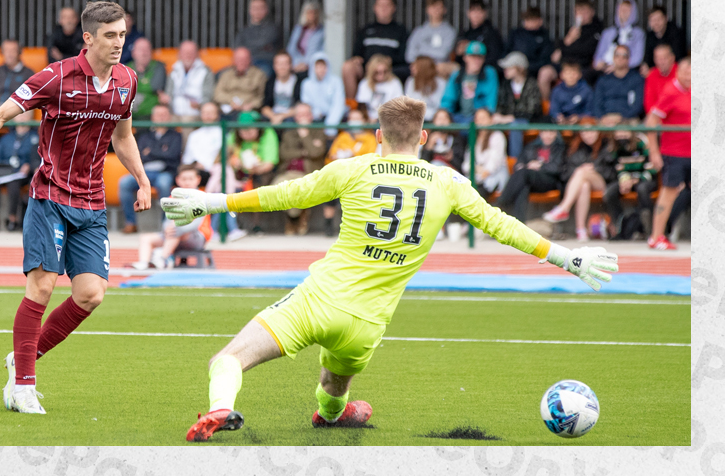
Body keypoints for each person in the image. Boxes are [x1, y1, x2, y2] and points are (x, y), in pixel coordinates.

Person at [159, 96, 618, 442]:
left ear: (377, 134)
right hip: (367, 324)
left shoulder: (352, 169)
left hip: (316, 301)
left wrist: (211, 202)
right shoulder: (449, 181)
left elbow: (286, 195)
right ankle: (333, 413)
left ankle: (220, 409)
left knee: (228, 360)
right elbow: (502, 226)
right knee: (333, 385)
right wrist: (566, 257)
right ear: (422, 138)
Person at [0, 1, 150, 414]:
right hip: (50, 196)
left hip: (92, 202)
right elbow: (2, 111)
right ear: (89, 38)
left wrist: (144, 180)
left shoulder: (127, 81)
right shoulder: (56, 77)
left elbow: (124, 136)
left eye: (123, 34)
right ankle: (23, 386)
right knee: (42, 287)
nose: (119, 43)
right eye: (111, 35)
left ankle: (21, 359)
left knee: (91, 295)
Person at [542, 119, 617, 241]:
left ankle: (564, 208)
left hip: (604, 182)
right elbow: (567, 172)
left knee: (582, 172)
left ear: (597, 131)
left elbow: (611, 171)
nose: (588, 135)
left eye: (591, 131)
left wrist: (594, 168)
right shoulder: (576, 147)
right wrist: (582, 169)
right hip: (583, 182)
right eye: (584, 132)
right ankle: (581, 230)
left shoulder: (606, 145)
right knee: (584, 185)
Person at [645, 56, 690, 250]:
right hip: (674, 153)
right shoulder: (670, 91)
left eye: (692, 73)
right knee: (669, 193)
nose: (689, 76)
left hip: (695, 153)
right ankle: (656, 236)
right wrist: (654, 152)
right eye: (686, 72)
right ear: (678, 72)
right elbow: (651, 122)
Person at [130, 165, 213, 269]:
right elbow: (167, 220)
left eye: (191, 179)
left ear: (198, 180)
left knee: (177, 229)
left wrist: (176, 228)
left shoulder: (202, 197)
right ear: (178, 180)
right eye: (184, 179)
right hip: (173, 235)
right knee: (146, 238)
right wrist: (166, 229)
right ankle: (144, 263)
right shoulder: (173, 197)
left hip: (197, 237)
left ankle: (162, 259)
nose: (187, 182)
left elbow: (196, 224)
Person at [118, 104, 181, 234]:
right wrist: (161, 151)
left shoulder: (176, 135)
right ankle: (131, 223)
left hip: (165, 172)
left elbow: (172, 155)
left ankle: (166, 224)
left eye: (164, 115)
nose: (161, 118)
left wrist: (151, 152)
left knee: (164, 184)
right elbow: (139, 154)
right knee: (124, 183)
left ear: (169, 117)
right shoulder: (145, 135)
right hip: (144, 172)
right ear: (152, 117)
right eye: (158, 114)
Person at [273, 103, 327, 235]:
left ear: (311, 116)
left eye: (306, 114)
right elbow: (284, 154)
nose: (303, 118)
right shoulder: (289, 132)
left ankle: (293, 219)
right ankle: (296, 216)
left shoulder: (318, 131)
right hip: (288, 172)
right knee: (277, 188)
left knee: (301, 190)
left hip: (309, 173)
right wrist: (304, 152)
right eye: (300, 115)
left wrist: (305, 135)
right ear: (296, 117)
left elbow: (316, 153)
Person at [342, 0, 409, 100]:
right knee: (348, 66)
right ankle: (352, 108)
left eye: (387, 5)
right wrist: (357, 58)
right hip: (367, 68)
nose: (383, 8)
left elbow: (404, 56)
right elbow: (356, 54)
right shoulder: (366, 29)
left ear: (393, 8)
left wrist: (386, 62)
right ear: (375, 8)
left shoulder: (400, 30)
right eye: (380, 5)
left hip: (390, 69)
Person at [324, 109, 377, 236]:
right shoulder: (343, 136)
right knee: (331, 188)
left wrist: (352, 156)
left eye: (357, 119)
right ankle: (328, 227)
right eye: (351, 119)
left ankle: (352, 227)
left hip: (360, 175)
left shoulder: (370, 138)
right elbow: (331, 155)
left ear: (364, 121)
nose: (354, 122)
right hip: (340, 172)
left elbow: (371, 158)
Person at [539, 0, 604, 100]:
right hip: (564, 64)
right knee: (544, 73)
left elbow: (586, 51)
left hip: (582, 66)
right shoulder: (571, 29)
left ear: (592, 12)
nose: (581, 15)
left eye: (585, 11)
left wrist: (566, 47)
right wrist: (569, 39)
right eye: (578, 11)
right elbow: (555, 55)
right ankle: (548, 106)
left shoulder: (597, 29)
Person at [496, 129, 566, 222]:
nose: (547, 136)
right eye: (545, 132)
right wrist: (528, 165)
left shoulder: (561, 148)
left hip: (550, 181)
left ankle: (501, 203)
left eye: (551, 132)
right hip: (530, 180)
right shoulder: (531, 146)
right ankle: (519, 226)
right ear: (540, 133)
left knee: (524, 174)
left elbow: (558, 168)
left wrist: (540, 166)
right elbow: (518, 165)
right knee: (523, 187)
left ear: (556, 134)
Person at [0, 109, 40, 232]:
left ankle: (13, 218)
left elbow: (36, 158)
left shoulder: (35, 138)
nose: (22, 118)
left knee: (14, 183)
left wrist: (28, 165)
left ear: (31, 118)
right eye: (19, 115)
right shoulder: (6, 138)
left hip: (23, 174)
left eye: (25, 116)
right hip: (5, 170)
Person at [602, 123, 658, 237]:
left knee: (642, 189)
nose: (622, 136)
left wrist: (637, 179)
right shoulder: (615, 147)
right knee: (610, 192)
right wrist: (624, 180)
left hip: (645, 179)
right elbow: (619, 169)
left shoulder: (642, 143)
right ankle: (620, 225)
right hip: (628, 180)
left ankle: (648, 227)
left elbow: (651, 169)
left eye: (625, 132)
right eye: (619, 133)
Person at [492, 51, 543, 158]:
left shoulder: (532, 84)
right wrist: (498, 115)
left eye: (509, 67)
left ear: (519, 68)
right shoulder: (505, 84)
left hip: (528, 121)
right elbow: (501, 104)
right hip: (508, 120)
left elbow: (532, 111)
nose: (505, 70)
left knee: (515, 125)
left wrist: (511, 117)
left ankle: (515, 160)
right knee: (491, 125)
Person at [439, 41, 499, 123]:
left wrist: (485, 112)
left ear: (484, 59)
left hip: (478, 117)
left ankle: (480, 136)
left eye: (480, 57)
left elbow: (490, 104)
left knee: (482, 115)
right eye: (473, 56)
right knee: (441, 115)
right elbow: (448, 100)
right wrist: (445, 113)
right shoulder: (457, 74)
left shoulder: (489, 73)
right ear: (465, 57)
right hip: (459, 116)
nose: (476, 60)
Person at [165, 40, 216, 129]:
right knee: (162, 119)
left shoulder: (206, 71)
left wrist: (200, 105)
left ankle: (187, 144)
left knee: (187, 121)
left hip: (195, 113)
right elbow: (169, 93)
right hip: (174, 111)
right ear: (179, 54)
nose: (188, 55)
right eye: (185, 52)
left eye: (191, 52)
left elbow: (209, 95)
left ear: (197, 54)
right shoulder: (174, 71)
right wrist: (166, 99)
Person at [404, 0, 457, 77]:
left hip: (439, 68)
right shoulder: (419, 31)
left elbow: (443, 54)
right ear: (427, 10)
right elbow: (409, 56)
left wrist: (421, 52)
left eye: (439, 7)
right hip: (420, 67)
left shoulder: (449, 31)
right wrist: (426, 58)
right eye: (433, 7)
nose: (436, 10)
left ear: (444, 10)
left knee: (452, 68)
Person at [234, 0, 283, 80]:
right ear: (250, 10)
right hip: (244, 63)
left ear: (266, 10)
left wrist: (247, 48)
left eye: (261, 8)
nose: (257, 11)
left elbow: (263, 42)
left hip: (264, 62)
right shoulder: (244, 31)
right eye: (255, 8)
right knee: (221, 75)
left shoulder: (273, 29)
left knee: (262, 74)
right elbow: (236, 47)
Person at [462, 108, 509, 195]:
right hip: (475, 180)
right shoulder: (474, 138)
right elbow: (466, 165)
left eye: (483, 118)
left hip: (492, 179)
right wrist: (476, 169)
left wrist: (479, 171)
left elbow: (493, 165)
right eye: (477, 119)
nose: (480, 122)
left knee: (475, 192)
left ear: (491, 120)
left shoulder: (497, 136)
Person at [593, 0, 645, 74]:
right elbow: (599, 55)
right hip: (606, 68)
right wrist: (599, 64)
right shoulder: (608, 32)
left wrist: (618, 66)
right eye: (621, 9)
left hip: (627, 70)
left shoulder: (638, 33)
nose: (623, 12)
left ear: (633, 12)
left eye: (627, 10)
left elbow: (638, 58)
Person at [591, 45, 644, 120]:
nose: (620, 58)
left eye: (624, 56)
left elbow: (637, 106)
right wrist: (603, 118)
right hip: (605, 119)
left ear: (629, 59)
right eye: (617, 55)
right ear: (613, 58)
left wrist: (622, 118)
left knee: (622, 132)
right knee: (589, 130)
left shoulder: (636, 79)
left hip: (628, 119)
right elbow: (597, 104)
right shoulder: (603, 80)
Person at [228, 110, 278, 188]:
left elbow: (269, 164)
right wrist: (234, 162)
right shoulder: (235, 134)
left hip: (260, 174)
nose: (246, 132)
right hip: (239, 174)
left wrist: (256, 169)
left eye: (250, 129)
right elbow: (226, 154)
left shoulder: (267, 133)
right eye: (243, 129)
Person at [300, 52, 346, 136]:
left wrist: (330, 125)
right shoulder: (306, 84)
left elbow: (338, 104)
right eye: (317, 67)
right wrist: (316, 114)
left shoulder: (336, 81)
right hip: (314, 119)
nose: (321, 69)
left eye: (323, 66)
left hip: (334, 120)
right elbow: (306, 104)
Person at [213, 47, 267, 117]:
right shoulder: (225, 74)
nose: (241, 62)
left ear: (249, 60)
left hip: (248, 111)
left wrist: (249, 105)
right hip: (226, 109)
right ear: (233, 60)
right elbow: (217, 94)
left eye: (244, 59)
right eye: (238, 59)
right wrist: (231, 102)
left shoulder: (259, 75)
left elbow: (261, 97)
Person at [0, 40, 36, 104]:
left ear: (19, 52)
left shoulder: (28, 73)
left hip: (16, 111)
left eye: (13, 51)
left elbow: (30, 100)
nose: (9, 54)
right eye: (6, 51)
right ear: (2, 53)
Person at [504, 7, 553, 78]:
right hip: (514, 67)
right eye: (527, 20)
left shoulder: (544, 35)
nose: (529, 23)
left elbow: (545, 59)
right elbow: (506, 51)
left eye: (532, 20)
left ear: (540, 21)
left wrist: (526, 67)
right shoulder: (516, 33)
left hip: (534, 70)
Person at [182, 101, 224, 184]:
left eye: (211, 112)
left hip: (212, 172)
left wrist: (205, 166)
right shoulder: (194, 134)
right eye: (205, 113)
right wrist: (194, 164)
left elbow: (220, 157)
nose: (208, 115)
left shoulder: (222, 133)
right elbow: (187, 158)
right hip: (194, 170)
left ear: (217, 114)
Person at [127, 38, 166, 120]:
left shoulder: (158, 67)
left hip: (150, 116)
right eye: (141, 50)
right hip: (129, 116)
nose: (144, 53)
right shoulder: (126, 69)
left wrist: (136, 87)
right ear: (133, 53)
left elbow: (155, 87)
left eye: (147, 49)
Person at [355, 55, 404, 122]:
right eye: (377, 72)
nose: (381, 75)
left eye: (384, 71)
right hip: (369, 121)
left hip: (389, 122)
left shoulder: (395, 83)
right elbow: (362, 106)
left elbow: (398, 107)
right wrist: (368, 119)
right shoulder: (364, 83)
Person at [458, 0, 504, 69]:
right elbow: (459, 59)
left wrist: (477, 62)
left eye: (479, 11)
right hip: (466, 70)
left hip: (485, 70)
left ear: (485, 13)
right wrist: (459, 53)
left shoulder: (491, 33)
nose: (476, 15)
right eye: (473, 11)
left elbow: (495, 57)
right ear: (468, 13)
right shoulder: (465, 34)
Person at [260, 52, 303, 125]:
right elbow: (265, 106)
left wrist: (281, 116)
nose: (282, 67)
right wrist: (273, 117)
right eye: (279, 64)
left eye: (285, 64)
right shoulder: (270, 82)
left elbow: (300, 106)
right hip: (273, 116)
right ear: (274, 66)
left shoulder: (299, 82)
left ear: (290, 65)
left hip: (290, 117)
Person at [641, 6, 686, 75]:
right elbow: (647, 57)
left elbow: (678, 58)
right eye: (652, 20)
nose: (656, 23)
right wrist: (645, 66)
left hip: (674, 71)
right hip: (655, 70)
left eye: (658, 19)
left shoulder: (676, 33)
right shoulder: (650, 35)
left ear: (666, 18)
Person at [549, 60, 594, 125]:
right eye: (568, 73)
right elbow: (553, 110)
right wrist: (558, 117)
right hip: (560, 124)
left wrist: (579, 118)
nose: (571, 76)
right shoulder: (556, 91)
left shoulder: (586, 90)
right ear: (562, 75)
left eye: (574, 73)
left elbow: (590, 111)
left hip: (581, 124)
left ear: (580, 75)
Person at [286, 1, 324, 76]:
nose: (312, 16)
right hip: (295, 65)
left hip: (313, 65)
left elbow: (322, 51)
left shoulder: (322, 31)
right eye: (309, 13)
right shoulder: (298, 29)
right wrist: (294, 64)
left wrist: (306, 64)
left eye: (314, 13)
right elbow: (291, 48)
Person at [404, 57, 445, 121]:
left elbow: (438, 106)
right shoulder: (410, 81)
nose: (411, 67)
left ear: (422, 68)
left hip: (433, 118)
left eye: (414, 65)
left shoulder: (440, 82)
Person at [643, 44, 678, 116]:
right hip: (657, 118)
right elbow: (649, 103)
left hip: (676, 117)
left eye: (664, 58)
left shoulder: (681, 73)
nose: (661, 62)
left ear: (672, 58)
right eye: (658, 59)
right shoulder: (652, 75)